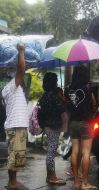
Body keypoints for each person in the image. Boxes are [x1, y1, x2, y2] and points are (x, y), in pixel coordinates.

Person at [1, 43, 29, 190]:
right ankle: (12, 183)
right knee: (15, 155)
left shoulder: (12, 87)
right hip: (15, 125)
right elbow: (22, 69)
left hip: (16, 124)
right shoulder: (11, 86)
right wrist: (21, 51)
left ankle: (13, 181)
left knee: (16, 154)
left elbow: (22, 70)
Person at [64, 65, 97, 189]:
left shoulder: (69, 89)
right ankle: (85, 183)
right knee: (86, 152)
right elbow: (94, 103)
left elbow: (67, 103)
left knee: (75, 152)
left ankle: (76, 182)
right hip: (85, 122)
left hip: (73, 123)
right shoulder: (88, 88)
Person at [39, 72, 68, 185]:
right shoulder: (54, 97)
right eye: (55, 81)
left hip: (46, 126)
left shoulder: (44, 96)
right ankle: (52, 177)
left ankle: (49, 176)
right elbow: (62, 112)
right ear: (53, 82)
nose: (56, 83)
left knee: (50, 151)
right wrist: (64, 127)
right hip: (54, 127)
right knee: (51, 152)